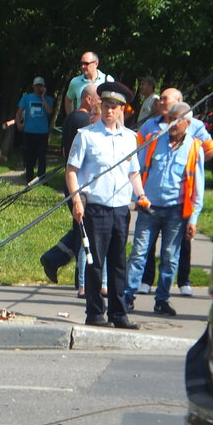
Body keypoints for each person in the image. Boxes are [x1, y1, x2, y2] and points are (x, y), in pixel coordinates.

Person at [65, 82, 145, 329]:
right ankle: (95, 312)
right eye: (106, 106)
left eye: (114, 108)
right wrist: (77, 200)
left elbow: (133, 173)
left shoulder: (130, 139)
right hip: (96, 208)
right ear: (100, 107)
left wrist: (141, 195)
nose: (110, 112)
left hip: (121, 209)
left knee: (118, 262)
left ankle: (119, 314)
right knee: (95, 262)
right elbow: (71, 170)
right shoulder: (87, 136)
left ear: (123, 110)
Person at [124, 102, 205, 317]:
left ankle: (162, 300)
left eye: (176, 121)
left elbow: (198, 186)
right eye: (169, 119)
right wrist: (137, 198)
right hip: (149, 208)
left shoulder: (195, 148)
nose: (171, 124)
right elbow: (138, 170)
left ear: (187, 123)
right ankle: (128, 297)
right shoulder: (154, 141)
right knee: (138, 254)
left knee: (170, 257)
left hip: (176, 212)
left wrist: (193, 218)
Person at [137, 87, 213, 296]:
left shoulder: (195, 125)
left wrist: (193, 163)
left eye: (166, 99)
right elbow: (138, 150)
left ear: (179, 102)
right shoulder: (151, 125)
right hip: (153, 196)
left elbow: (212, 150)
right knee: (147, 245)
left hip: (180, 199)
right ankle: (146, 281)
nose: (161, 102)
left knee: (176, 247)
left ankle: (183, 281)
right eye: (161, 99)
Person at [40, 84, 99, 291]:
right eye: (98, 99)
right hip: (79, 183)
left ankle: (53, 259)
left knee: (79, 228)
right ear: (88, 99)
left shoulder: (71, 118)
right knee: (85, 231)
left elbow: (66, 150)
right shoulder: (85, 122)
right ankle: (80, 280)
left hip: (71, 180)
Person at [15, 76, 54, 185]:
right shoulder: (26, 98)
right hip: (29, 131)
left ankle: (42, 178)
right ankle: (29, 178)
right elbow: (19, 112)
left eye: (41, 86)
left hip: (42, 132)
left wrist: (43, 97)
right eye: (37, 85)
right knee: (29, 156)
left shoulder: (48, 99)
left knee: (41, 157)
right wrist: (19, 123)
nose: (39, 88)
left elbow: (49, 111)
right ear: (33, 86)